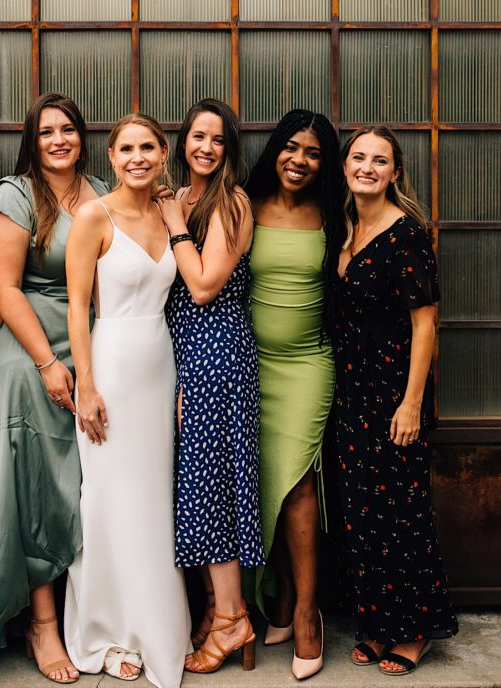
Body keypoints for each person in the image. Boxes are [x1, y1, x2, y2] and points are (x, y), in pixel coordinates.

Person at [0, 93, 108, 683]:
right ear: (32, 140)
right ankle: (41, 624)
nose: (59, 140)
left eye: (68, 129)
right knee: (36, 484)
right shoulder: (15, 195)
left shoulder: (102, 187)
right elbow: (5, 288)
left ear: (81, 136)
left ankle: (89, 616)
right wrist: (48, 363)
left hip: (95, 347)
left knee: (85, 486)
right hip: (30, 352)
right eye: (47, 131)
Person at [64, 113, 191, 688]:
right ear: (110, 158)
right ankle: (108, 628)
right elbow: (77, 309)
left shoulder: (171, 215)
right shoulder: (93, 215)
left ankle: (153, 623)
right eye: (126, 149)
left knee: (152, 495)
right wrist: (86, 387)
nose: (137, 157)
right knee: (107, 498)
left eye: (148, 147)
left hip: (158, 365)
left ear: (164, 154)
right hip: (111, 364)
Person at [333, 125, 458, 675]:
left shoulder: (406, 234)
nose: (367, 167)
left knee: (401, 515)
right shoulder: (347, 227)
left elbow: (426, 324)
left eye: (378, 160)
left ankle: (415, 632)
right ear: (345, 167)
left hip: (391, 395)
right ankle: (379, 625)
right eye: (358, 157)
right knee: (362, 515)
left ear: (395, 171)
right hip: (351, 395)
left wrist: (411, 405)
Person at [157, 98, 264, 675]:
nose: (206, 147)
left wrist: (174, 225)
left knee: (210, 486)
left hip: (217, 355)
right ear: (183, 141)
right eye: (197, 136)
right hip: (183, 355)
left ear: (229, 149)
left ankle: (232, 619)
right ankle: (214, 612)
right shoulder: (181, 196)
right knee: (192, 484)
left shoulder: (232, 203)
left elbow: (202, 285)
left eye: (217, 139)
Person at [244, 109, 343, 680]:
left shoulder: (332, 214)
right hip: (250, 367)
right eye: (291, 147)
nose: (299, 160)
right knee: (264, 481)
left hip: (306, 365)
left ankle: (307, 614)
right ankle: (276, 597)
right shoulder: (245, 204)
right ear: (275, 148)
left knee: (299, 478)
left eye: (312, 152)